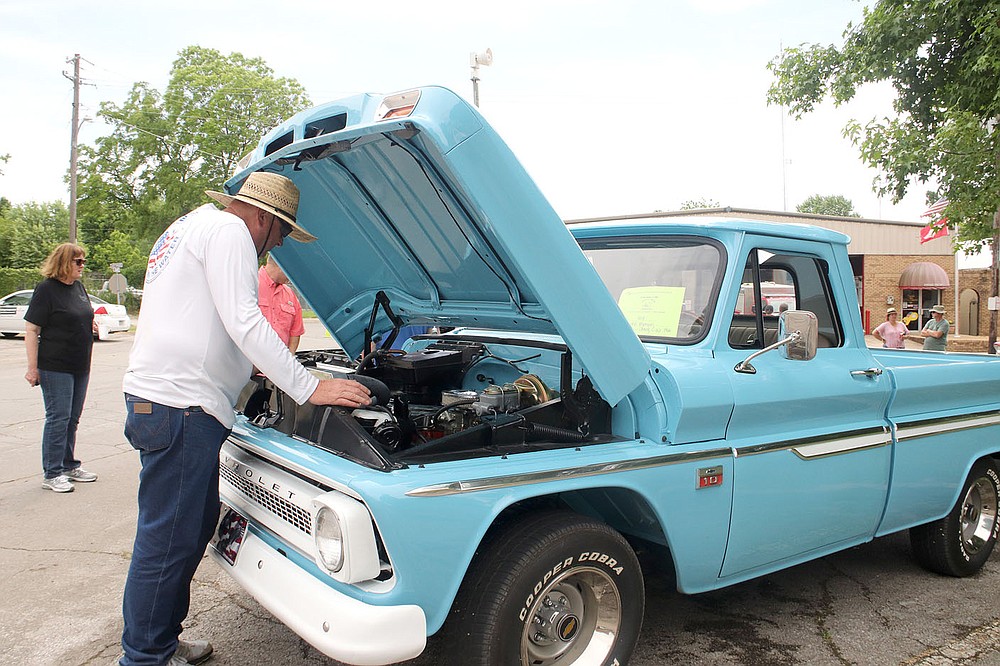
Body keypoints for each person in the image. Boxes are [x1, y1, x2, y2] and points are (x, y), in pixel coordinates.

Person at [117, 172, 372, 666]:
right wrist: (308, 385)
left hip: (164, 400)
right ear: (262, 218)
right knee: (168, 537)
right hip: (181, 405)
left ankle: (158, 641)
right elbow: (243, 317)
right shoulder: (232, 233)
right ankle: (143, 657)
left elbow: (209, 318)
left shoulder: (191, 227)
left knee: (188, 529)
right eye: (279, 234)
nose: (275, 246)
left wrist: (256, 364)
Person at [23, 243, 100, 493]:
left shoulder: (78, 287)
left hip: (80, 364)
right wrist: (32, 368)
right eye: (78, 262)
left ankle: (69, 465)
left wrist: (91, 325)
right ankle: (52, 472)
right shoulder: (47, 290)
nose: (82, 266)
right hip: (55, 366)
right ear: (64, 262)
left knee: (72, 419)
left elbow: (81, 315)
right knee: (59, 418)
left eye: (84, 262)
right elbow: (32, 330)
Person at [258, 254, 305, 352]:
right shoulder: (250, 285)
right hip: (249, 361)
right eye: (291, 271)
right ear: (281, 265)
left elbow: (295, 332)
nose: (293, 276)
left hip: (278, 362)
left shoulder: (290, 295)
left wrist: (289, 359)